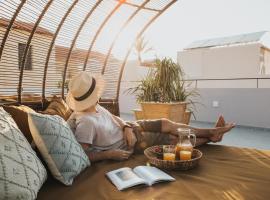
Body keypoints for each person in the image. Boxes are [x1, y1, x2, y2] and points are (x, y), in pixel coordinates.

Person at [66, 72, 235, 162]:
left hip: (131, 128)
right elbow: (84, 154)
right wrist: (109, 154)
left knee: (166, 123)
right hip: (131, 143)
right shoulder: (85, 122)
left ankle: (213, 132)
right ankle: (212, 136)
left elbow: (115, 119)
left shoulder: (95, 106)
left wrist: (126, 127)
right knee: (173, 140)